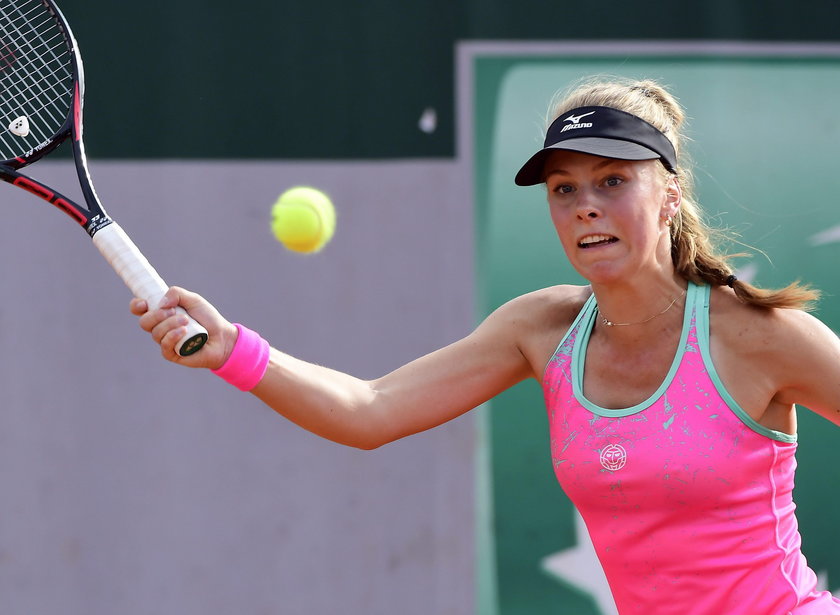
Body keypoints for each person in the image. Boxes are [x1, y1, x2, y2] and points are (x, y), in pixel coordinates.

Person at [131, 77, 840, 614]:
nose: (585, 204)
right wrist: (230, 348)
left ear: (670, 196)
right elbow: (369, 408)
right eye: (564, 189)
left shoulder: (758, 336)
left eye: (613, 180)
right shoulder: (539, 330)